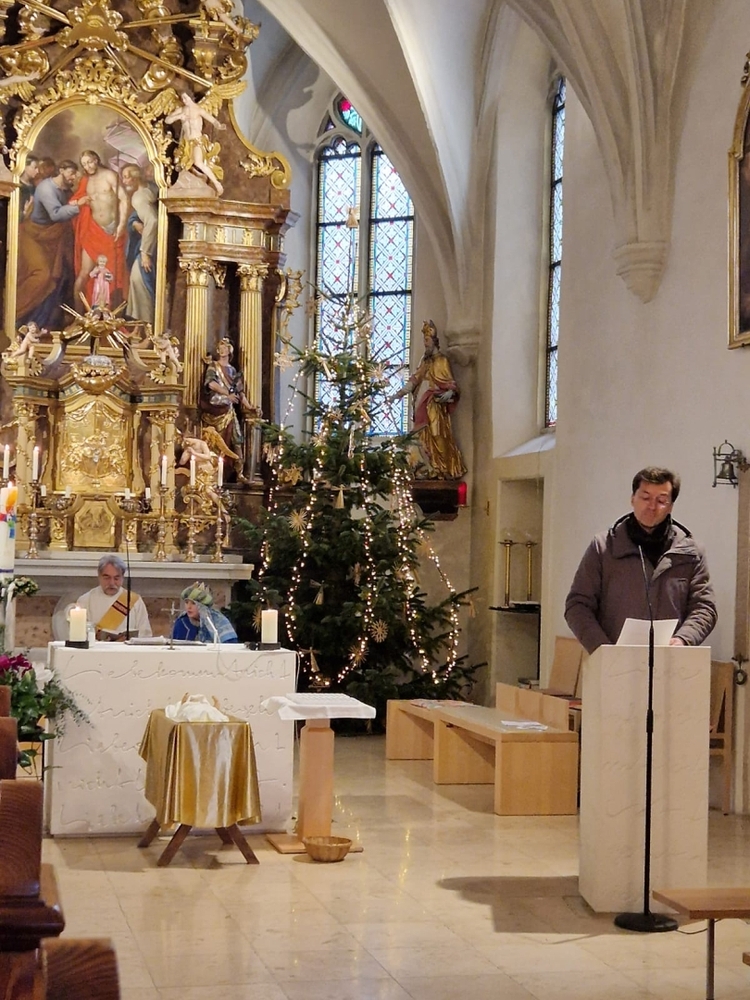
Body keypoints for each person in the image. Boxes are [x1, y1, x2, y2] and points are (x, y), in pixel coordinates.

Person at [564, 467, 717, 655]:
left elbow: (704, 607)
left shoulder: (691, 553)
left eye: (661, 501)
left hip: (670, 662)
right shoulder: (603, 547)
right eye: (645, 498)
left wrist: (684, 639)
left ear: (670, 506)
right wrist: (602, 648)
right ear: (632, 499)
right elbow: (577, 606)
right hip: (612, 662)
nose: (652, 506)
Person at [16, 159, 84, 327]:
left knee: (59, 275)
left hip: (52, 239)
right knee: (42, 275)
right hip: (34, 235)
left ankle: (44, 321)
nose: (73, 177)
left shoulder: (65, 191)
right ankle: (14, 312)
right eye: (71, 173)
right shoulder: (46, 188)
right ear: (61, 170)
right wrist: (78, 206)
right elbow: (55, 214)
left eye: (75, 174)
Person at [397, 320, 466, 479]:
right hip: (423, 404)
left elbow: (451, 384)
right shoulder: (425, 361)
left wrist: (449, 393)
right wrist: (399, 394)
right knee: (422, 436)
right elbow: (415, 379)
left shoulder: (442, 360)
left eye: (427, 340)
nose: (425, 344)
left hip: (435, 404)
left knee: (438, 434)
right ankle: (430, 468)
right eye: (424, 341)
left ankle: (443, 468)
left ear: (434, 341)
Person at [71, 149, 129, 310]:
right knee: (84, 273)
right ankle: (79, 316)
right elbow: (75, 201)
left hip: (110, 231)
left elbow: (124, 199)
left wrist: (121, 225)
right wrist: (79, 202)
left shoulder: (110, 176)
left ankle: (110, 316)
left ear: (96, 160)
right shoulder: (85, 181)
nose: (87, 166)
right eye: (84, 164)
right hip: (92, 230)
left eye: (89, 162)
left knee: (112, 275)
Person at [200, 337, 253, 481]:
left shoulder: (233, 370)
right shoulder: (213, 366)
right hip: (215, 406)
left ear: (230, 351)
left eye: (225, 347)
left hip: (228, 409)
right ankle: (212, 472)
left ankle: (239, 472)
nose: (222, 350)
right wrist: (227, 394)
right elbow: (211, 384)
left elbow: (239, 392)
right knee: (215, 442)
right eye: (220, 347)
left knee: (237, 438)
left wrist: (249, 407)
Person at [76, 554, 152, 640]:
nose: (111, 583)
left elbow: (145, 635)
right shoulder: (85, 600)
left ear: (122, 577)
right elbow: (79, 635)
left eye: (116, 578)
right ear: (99, 576)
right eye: (107, 578)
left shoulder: (134, 601)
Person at [165, 91, 226, 196]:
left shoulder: (198, 110)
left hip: (197, 140)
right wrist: (178, 116)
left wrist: (219, 125)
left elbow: (212, 120)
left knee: (198, 162)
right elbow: (167, 120)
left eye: (186, 98)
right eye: (183, 99)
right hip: (186, 143)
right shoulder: (181, 110)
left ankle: (217, 184)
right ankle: (187, 183)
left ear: (191, 98)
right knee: (183, 165)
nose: (184, 101)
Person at [121, 164, 157, 324]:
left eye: (126, 177)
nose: (124, 181)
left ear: (135, 178)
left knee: (139, 280)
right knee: (139, 281)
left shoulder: (139, 196)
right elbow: (141, 216)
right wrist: (134, 222)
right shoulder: (150, 188)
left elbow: (153, 220)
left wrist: (145, 253)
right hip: (149, 243)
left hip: (147, 246)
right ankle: (139, 326)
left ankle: (146, 325)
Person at [172, 582, 238, 643]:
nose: (189, 607)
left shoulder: (218, 621)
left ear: (203, 607)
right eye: (186, 602)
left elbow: (230, 646)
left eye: (193, 603)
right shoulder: (182, 622)